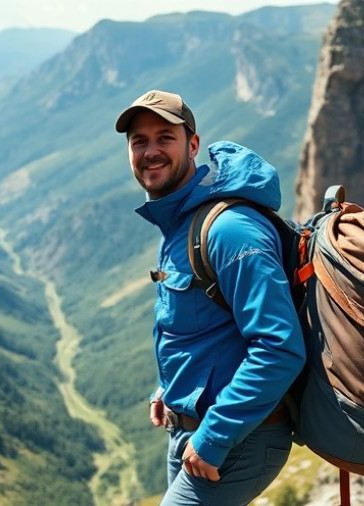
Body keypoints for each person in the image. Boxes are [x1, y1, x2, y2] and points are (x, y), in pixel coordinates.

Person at [115, 90, 306, 505]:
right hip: (190, 431)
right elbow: (200, 326)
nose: (150, 151)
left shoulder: (229, 231)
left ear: (193, 145)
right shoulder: (181, 221)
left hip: (239, 438)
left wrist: (214, 437)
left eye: (165, 138)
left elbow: (280, 347)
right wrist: (169, 388)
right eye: (139, 141)